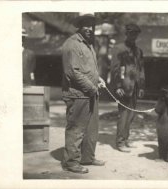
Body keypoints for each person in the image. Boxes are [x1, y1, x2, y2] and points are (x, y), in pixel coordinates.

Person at [61, 13, 106, 174]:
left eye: (92, 25)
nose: (90, 28)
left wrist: (98, 79)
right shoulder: (72, 44)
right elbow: (73, 72)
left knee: (91, 129)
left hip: (90, 93)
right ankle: (72, 162)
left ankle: (87, 157)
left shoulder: (88, 44)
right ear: (79, 25)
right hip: (78, 94)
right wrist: (92, 87)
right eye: (86, 24)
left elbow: (89, 69)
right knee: (76, 129)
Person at [111, 24, 145, 152]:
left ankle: (126, 139)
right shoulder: (119, 49)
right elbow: (115, 68)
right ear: (127, 34)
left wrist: (141, 86)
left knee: (131, 115)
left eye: (136, 34)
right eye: (131, 33)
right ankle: (120, 142)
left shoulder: (138, 51)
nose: (133, 36)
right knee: (123, 115)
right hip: (124, 87)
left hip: (135, 87)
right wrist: (118, 86)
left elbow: (141, 70)